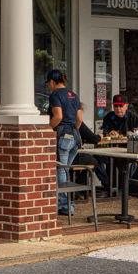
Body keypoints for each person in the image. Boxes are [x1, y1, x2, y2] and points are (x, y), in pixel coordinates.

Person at [46, 69, 83, 215]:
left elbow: (58, 117)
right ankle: (67, 203)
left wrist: (46, 129)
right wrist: (73, 129)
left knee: (61, 170)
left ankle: (65, 205)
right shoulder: (73, 94)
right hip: (75, 137)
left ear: (52, 82)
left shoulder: (55, 95)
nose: (49, 86)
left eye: (49, 83)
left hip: (63, 136)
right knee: (65, 170)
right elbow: (79, 119)